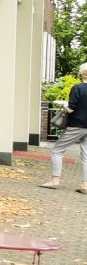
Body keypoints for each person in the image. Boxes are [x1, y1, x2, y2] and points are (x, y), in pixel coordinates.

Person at [40, 63, 87, 191]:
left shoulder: (77, 88)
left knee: (57, 151)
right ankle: (85, 185)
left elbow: (71, 109)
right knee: (86, 155)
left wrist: (63, 105)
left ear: (81, 73)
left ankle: (55, 180)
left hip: (76, 125)